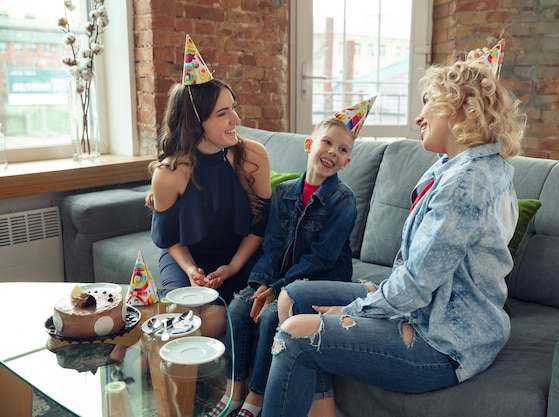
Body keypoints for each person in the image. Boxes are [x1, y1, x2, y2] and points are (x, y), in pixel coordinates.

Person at [263, 39, 527, 417]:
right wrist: (371, 301)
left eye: (426, 102)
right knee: (294, 296)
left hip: (444, 339)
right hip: (430, 304)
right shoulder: (459, 165)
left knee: (296, 334)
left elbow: (417, 285)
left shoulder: (466, 182)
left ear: (456, 108)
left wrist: (354, 308)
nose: (419, 117)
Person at [208, 97, 376, 417]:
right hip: (279, 275)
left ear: (347, 162)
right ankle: (235, 389)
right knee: (239, 307)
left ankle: (255, 399)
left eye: (342, 150)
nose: (332, 152)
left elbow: (322, 258)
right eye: (327, 142)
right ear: (309, 145)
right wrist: (260, 283)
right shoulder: (284, 193)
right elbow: (272, 245)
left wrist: (278, 288)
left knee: (273, 316)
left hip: (321, 280)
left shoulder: (343, 200)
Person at [146, 35, 271, 337]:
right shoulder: (169, 173)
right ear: (195, 121)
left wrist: (233, 266)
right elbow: (169, 239)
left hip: (239, 256)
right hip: (187, 259)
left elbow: (260, 225)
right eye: (223, 113)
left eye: (233, 108)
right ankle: (136, 361)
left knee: (215, 319)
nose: (236, 119)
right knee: (179, 317)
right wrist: (190, 271)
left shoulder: (253, 156)